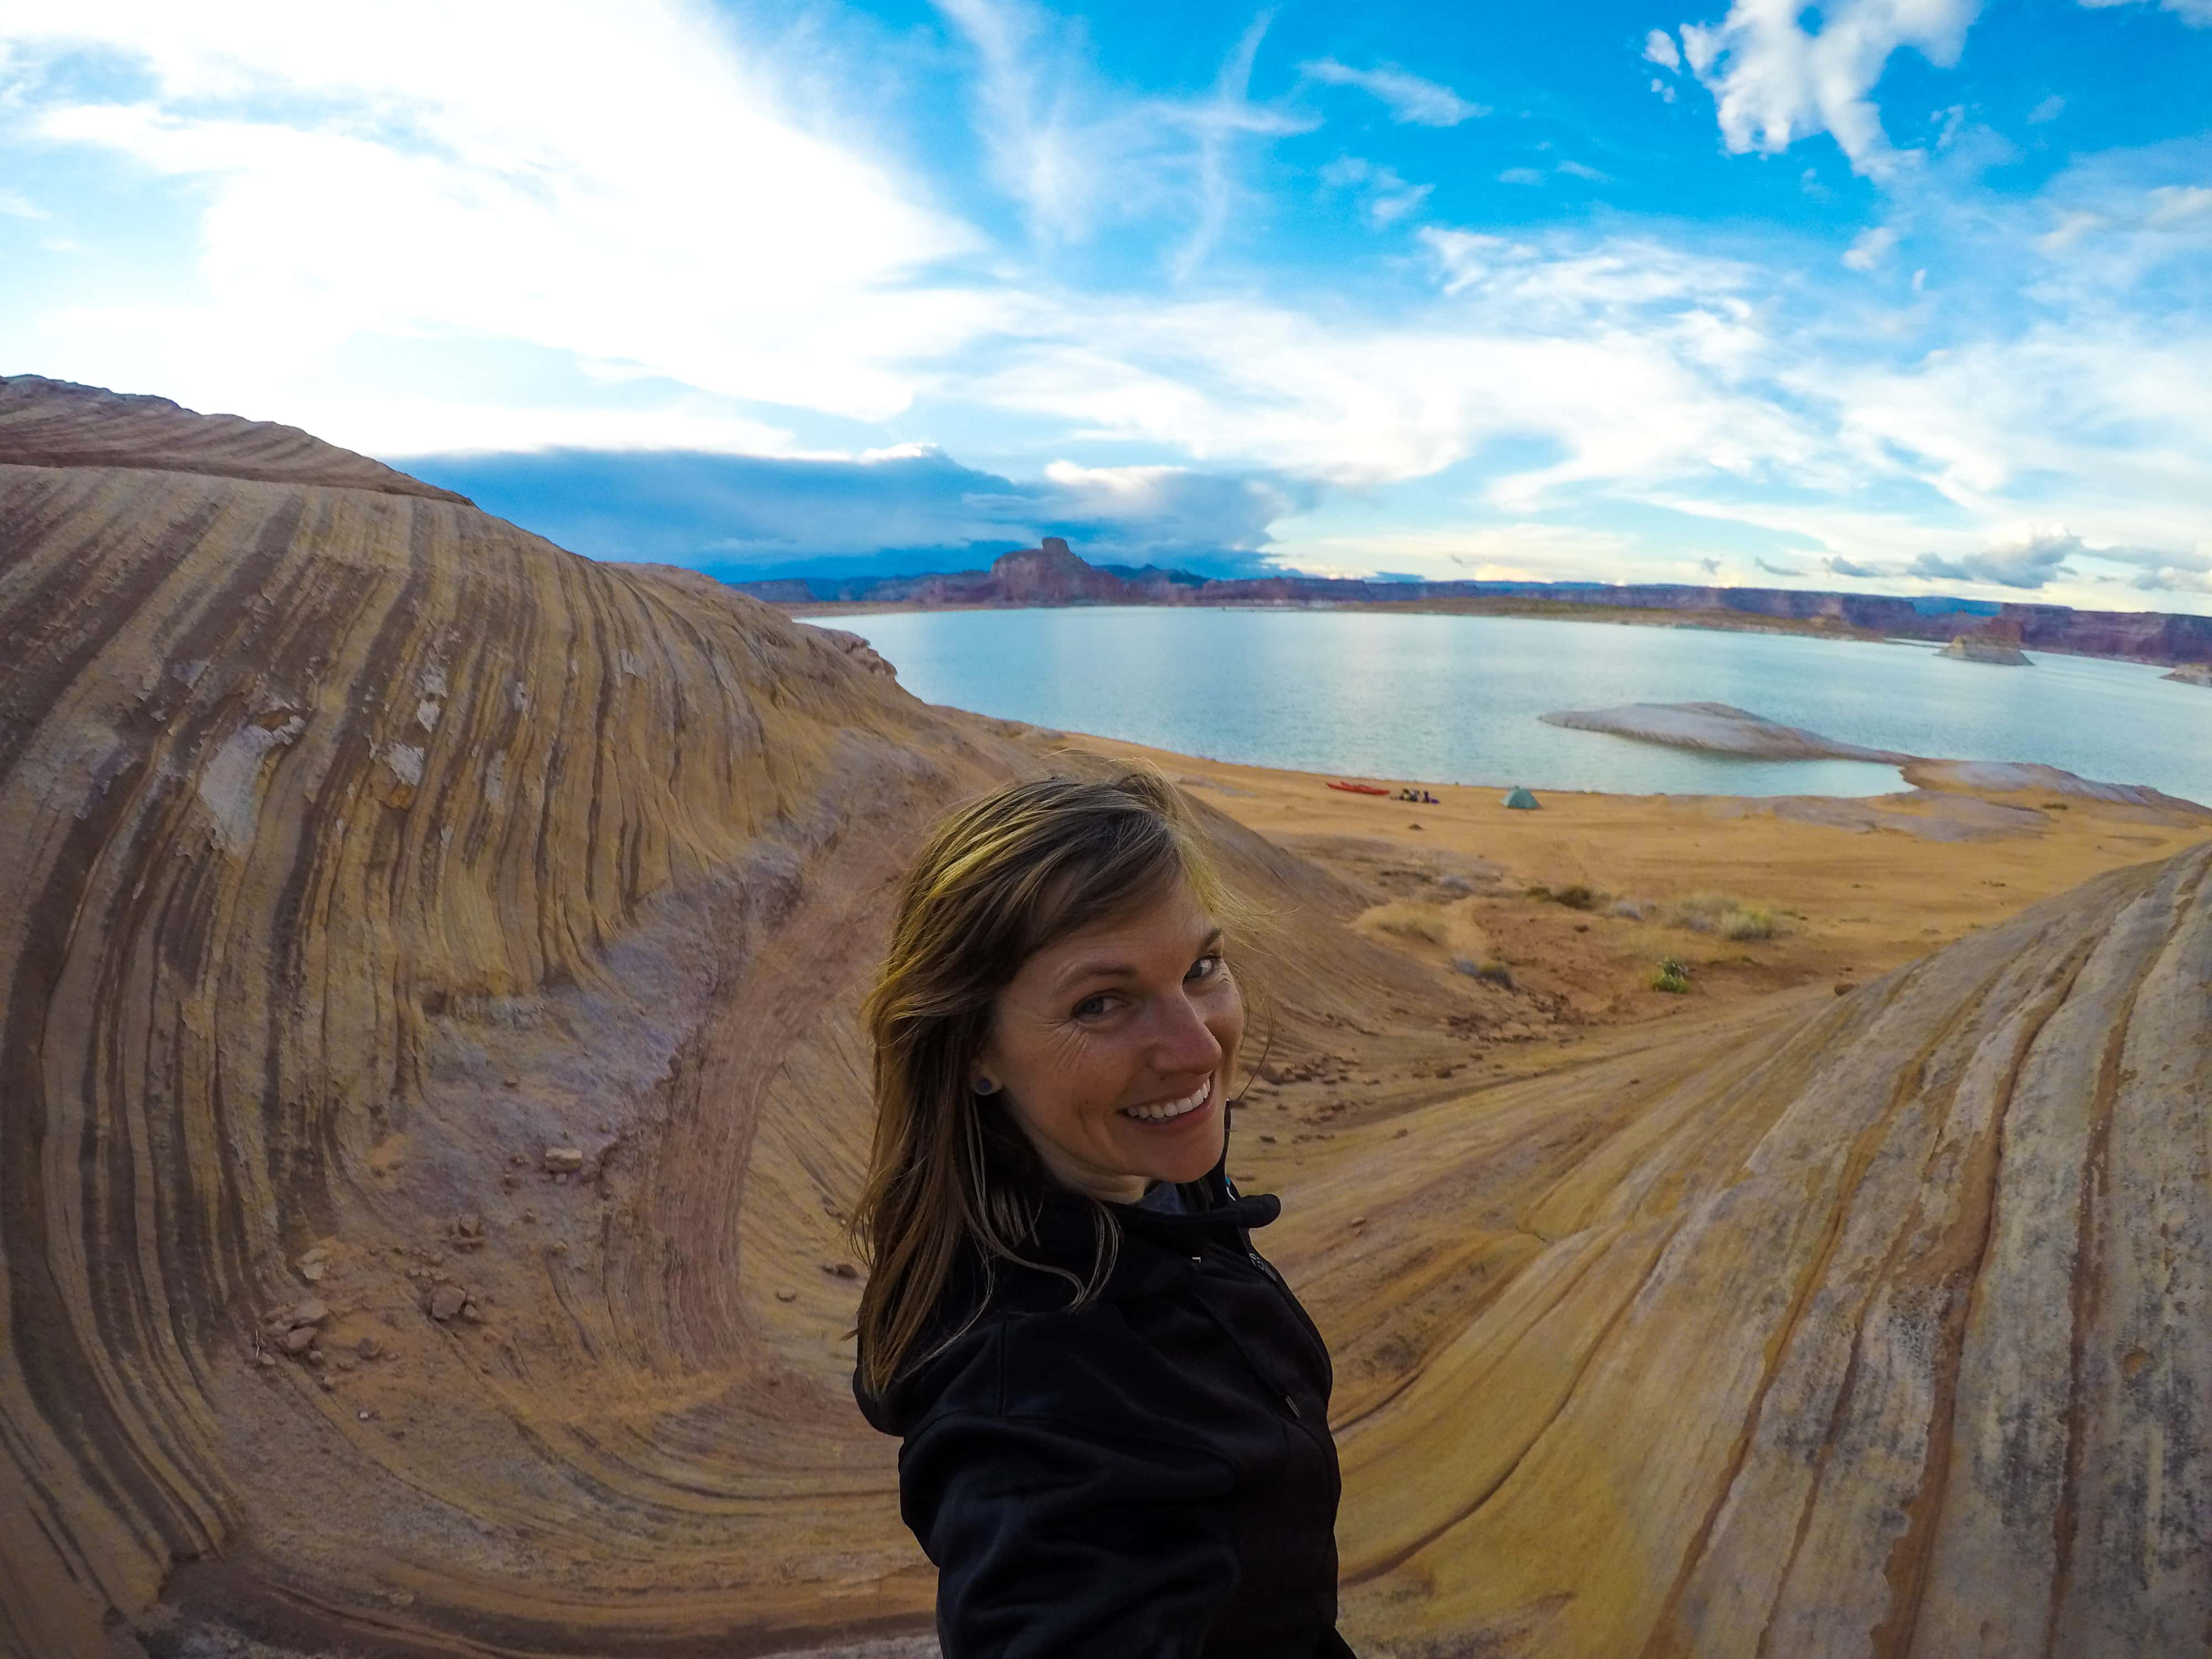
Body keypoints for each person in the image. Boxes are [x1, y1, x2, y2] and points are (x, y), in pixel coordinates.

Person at [848, 770, 1355, 1658]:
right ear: (974, 1050)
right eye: (1102, 1003)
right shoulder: (1034, 1427)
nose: (1197, 1048)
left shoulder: (1141, 1183)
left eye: (1201, 968)